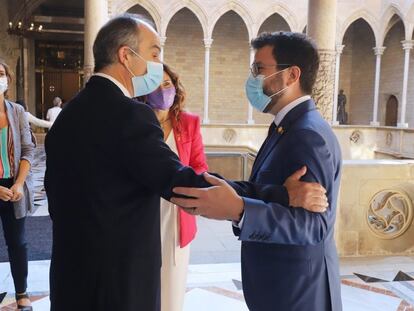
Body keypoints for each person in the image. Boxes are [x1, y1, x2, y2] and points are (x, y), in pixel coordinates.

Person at [45, 15, 328, 311]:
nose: (157, 63)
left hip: (70, 276)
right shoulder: (129, 114)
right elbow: (182, 184)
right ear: (125, 56)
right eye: (154, 52)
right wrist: (280, 195)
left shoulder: (69, 114)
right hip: (117, 284)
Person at [172, 32, 343, 311]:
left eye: (259, 69)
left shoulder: (308, 134)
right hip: (280, 286)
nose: (253, 78)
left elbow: (315, 227)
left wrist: (241, 211)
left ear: (291, 75)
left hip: (298, 293)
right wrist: (216, 188)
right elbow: (268, 189)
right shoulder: (285, 125)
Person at [141, 64, 208, 311]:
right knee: (143, 284)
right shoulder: (136, 122)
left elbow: (199, 164)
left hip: (176, 214)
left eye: (167, 84)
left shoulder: (188, 122)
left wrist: (192, 186)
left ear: (175, 86)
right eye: (155, 85)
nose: (162, 90)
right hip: (142, 211)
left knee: (172, 284)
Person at [0, 60, 35, 311]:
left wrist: (20, 183)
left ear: (8, 79)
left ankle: (22, 292)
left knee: (18, 242)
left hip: (14, 187)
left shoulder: (17, 112)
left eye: (1, 73)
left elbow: (27, 150)